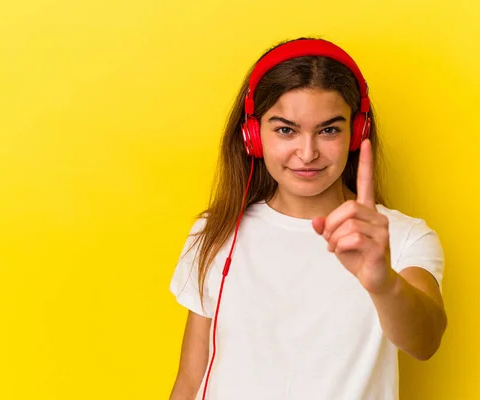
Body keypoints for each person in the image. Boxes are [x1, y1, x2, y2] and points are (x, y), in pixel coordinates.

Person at [168, 37, 447, 400]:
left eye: (329, 129)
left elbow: (425, 342)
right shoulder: (215, 232)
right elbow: (190, 379)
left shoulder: (405, 236)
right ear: (252, 136)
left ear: (356, 132)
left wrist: (383, 282)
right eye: (286, 129)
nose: (307, 152)